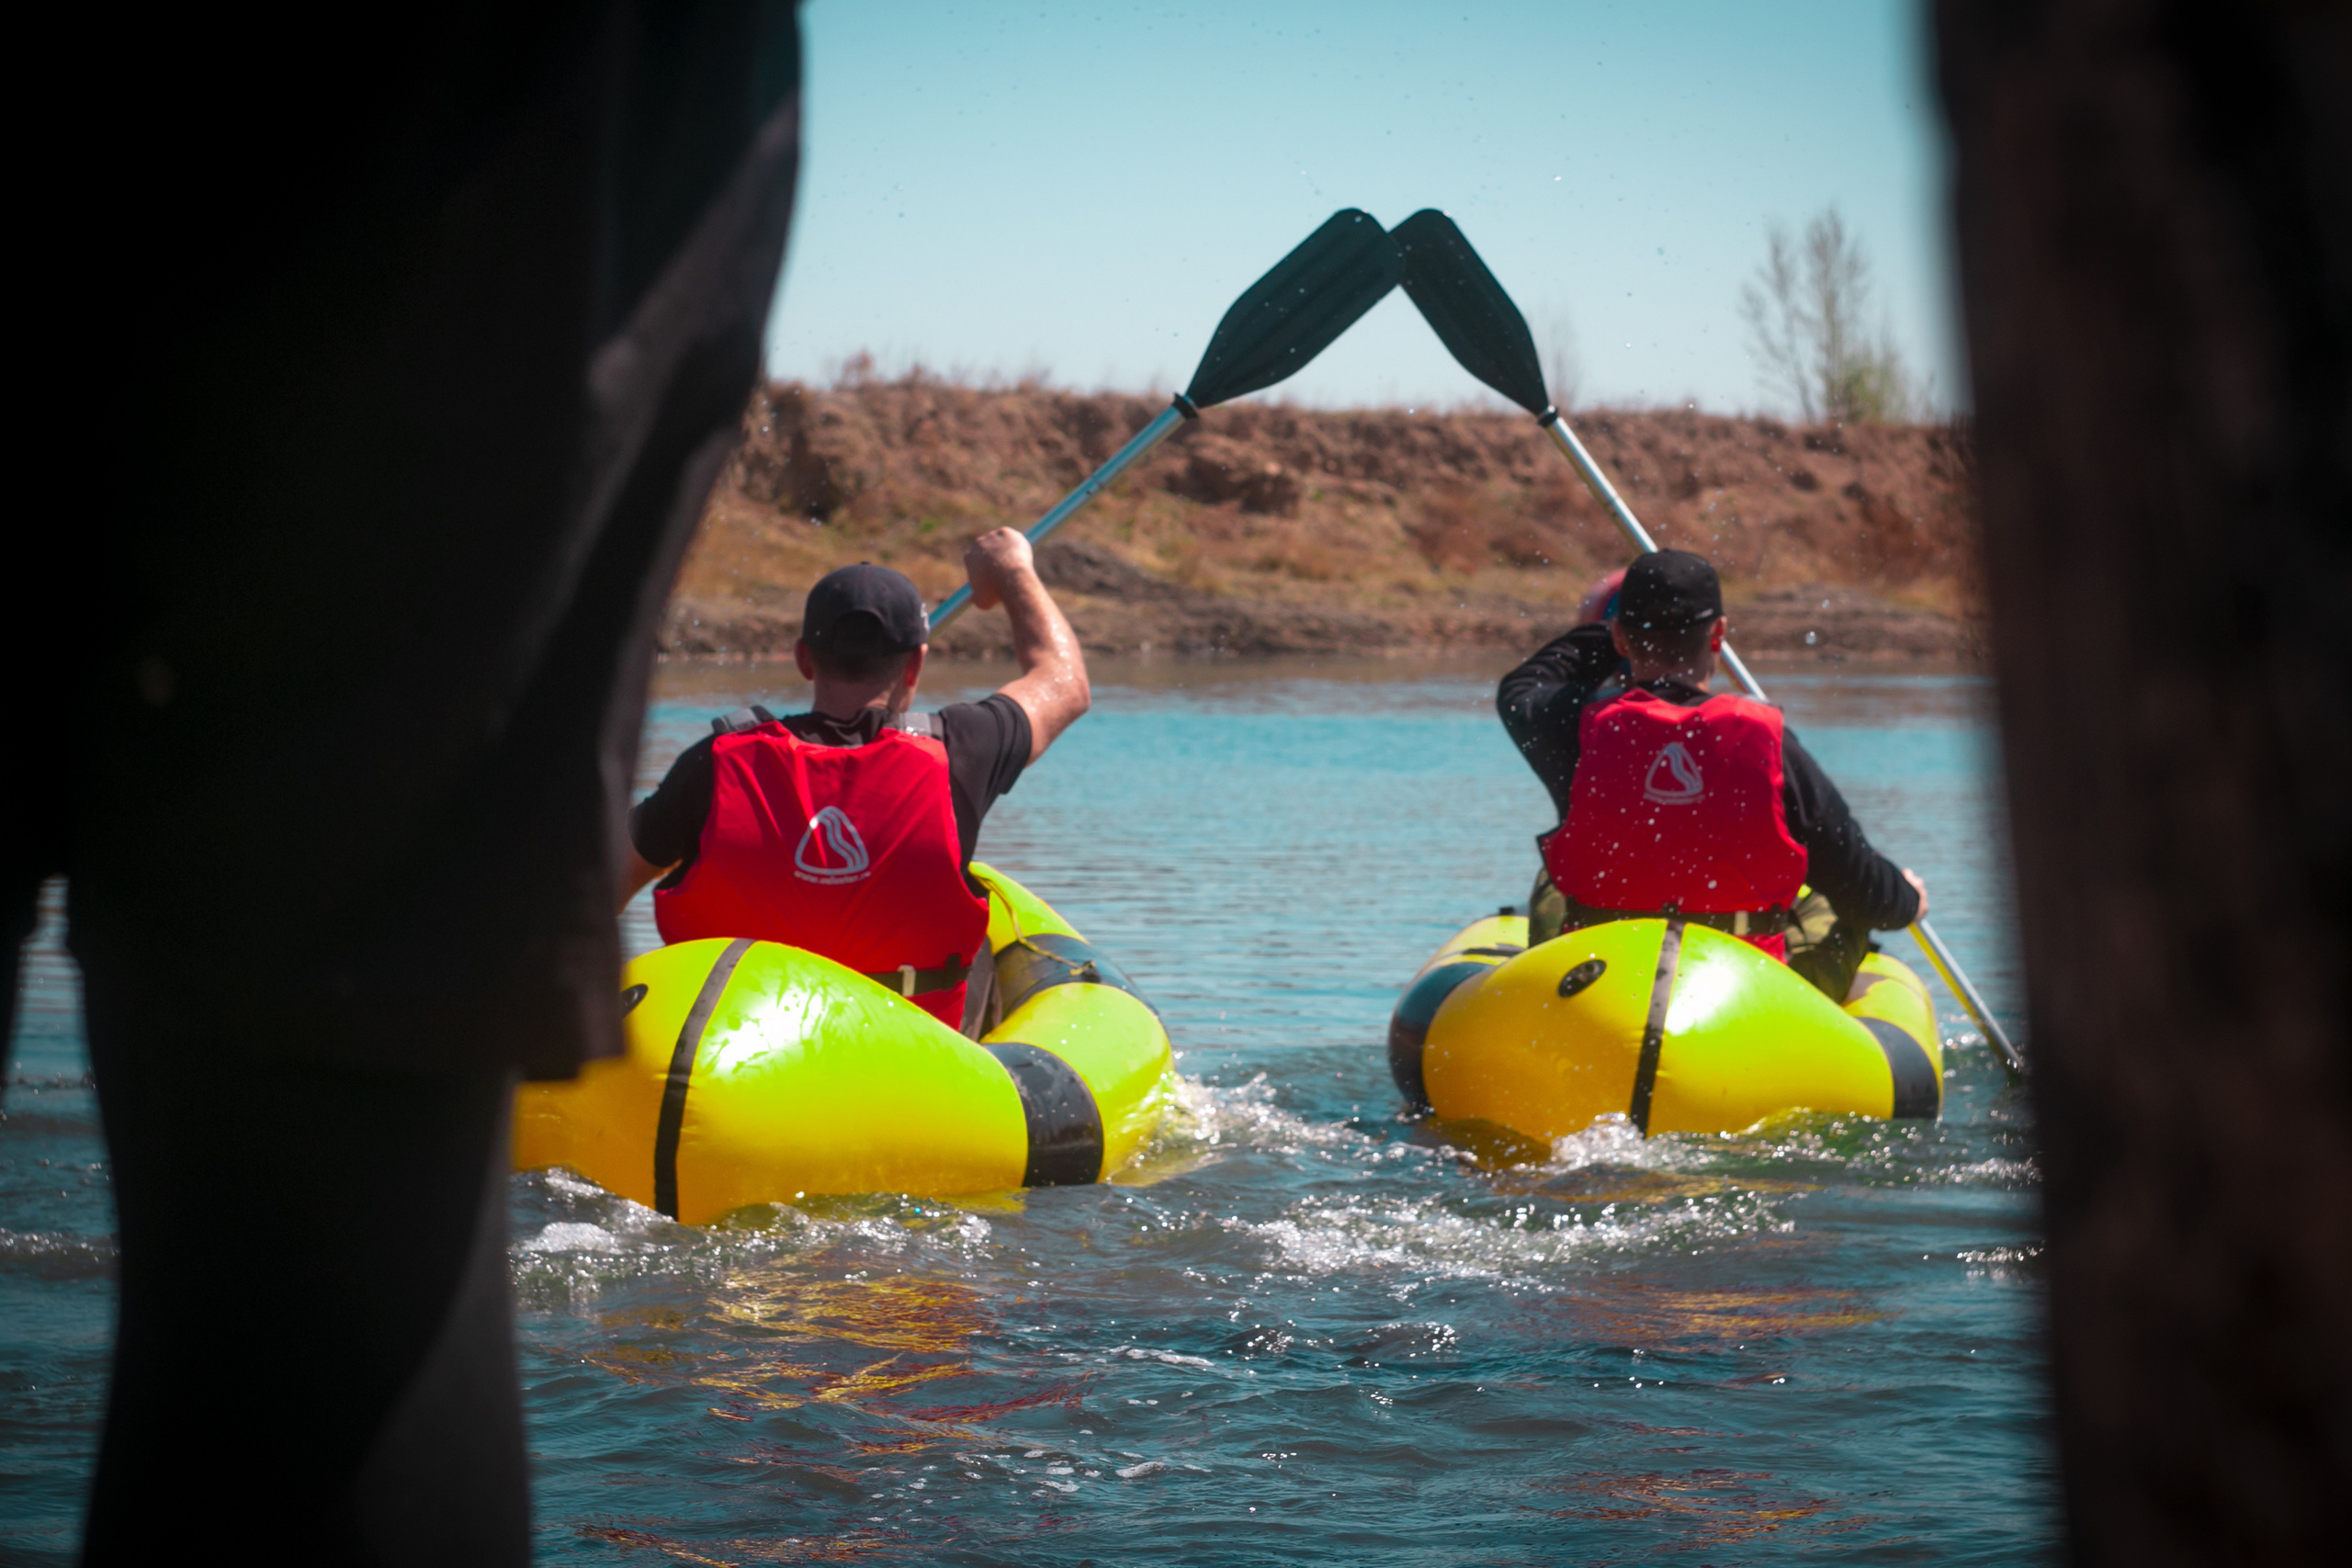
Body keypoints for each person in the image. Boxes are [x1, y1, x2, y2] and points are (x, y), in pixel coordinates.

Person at [623, 531, 1089, 1030]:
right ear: (916, 664)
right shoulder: (964, 750)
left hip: (734, 1060)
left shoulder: (715, 764)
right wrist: (1011, 568)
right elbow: (1064, 683)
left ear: (804, 659)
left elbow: (594, 884)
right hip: (909, 1062)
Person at [1497, 549, 1927, 1001]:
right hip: (1744, 993)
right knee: (1821, 897)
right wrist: (1908, 901)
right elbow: (1863, 891)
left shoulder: (1573, 730)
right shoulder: (1771, 742)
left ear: (1621, 638)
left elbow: (1524, 686)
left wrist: (1606, 631)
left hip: (1601, 980)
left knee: (1552, 882)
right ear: (1718, 634)